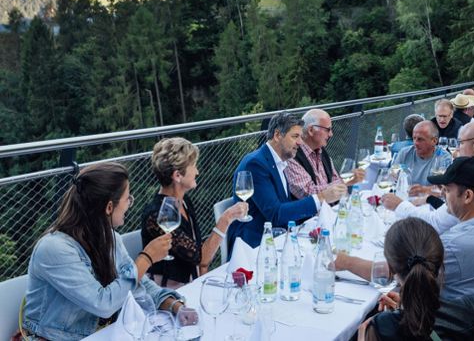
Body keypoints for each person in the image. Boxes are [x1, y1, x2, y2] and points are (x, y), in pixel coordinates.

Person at [23, 162, 190, 340]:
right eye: (128, 199)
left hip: (106, 333)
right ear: (109, 207)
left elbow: (137, 282)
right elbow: (103, 304)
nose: (130, 204)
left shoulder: (110, 238)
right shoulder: (54, 249)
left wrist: (173, 305)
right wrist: (146, 258)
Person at [336, 156, 474, 301]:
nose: (443, 196)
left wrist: (345, 262)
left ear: (467, 196)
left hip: (439, 327)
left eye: (446, 190)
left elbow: (390, 273)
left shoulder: (453, 245)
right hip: (469, 320)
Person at [227, 112, 346, 248]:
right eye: (295, 136)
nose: (300, 142)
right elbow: (276, 214)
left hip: (279, 237)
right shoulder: (255, 164)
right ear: (277, 135)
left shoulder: (280, 161)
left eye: (301, 137)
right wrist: (321, 197)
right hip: (254, 245)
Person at [141, 137, 248, 288]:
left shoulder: (184, 201)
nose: (197, 171)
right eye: (193, 166)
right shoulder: (157, 215)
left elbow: (200, 261)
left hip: (192, 283)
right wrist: (226, 218)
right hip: (168, 293)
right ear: (177, 175)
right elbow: (201, 257)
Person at [383, 121, 474, 234]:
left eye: (461, 142)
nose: (457, 150)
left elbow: (435, 223)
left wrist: (399, 205)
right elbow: (455, 213)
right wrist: (429, 198)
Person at [358, 218, 474, 341]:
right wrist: (408, 309)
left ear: (391, 268)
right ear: (440, 262)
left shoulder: (383, 327)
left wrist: (364, 334)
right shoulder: (472, 312)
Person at [286, 109, 363, 199]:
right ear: (311, 130)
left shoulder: (322, 153)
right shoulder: (292, 156)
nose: (331, 134)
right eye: (328, 130)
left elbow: (335, 181)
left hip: (330, 210)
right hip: (311, 213)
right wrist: (346, 180)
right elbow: (308, 193)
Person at [395, 121, 439, 187]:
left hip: (429, 197)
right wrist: (394, 175)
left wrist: (424, 191)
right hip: (405, 195)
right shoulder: (404, 153)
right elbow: (391, 176)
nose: (415, 143)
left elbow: (446, 189)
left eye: (420, 139)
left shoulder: (443, 157)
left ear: (434, 141)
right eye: (414, 138)